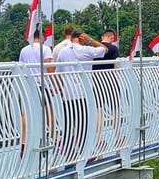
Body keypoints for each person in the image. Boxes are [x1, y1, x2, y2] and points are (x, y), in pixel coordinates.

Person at [56, 29, 108, 161]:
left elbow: (59, 73)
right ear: (81, 37)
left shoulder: (63, 51)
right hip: (83, 94)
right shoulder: (85, 50)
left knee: (68, 124)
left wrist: (59, 89)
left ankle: (68, 152)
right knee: (84, 124)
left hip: (67, 94)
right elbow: (104, 49)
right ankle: (86, 152)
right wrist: (90, 40)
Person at [18, 29, 54, 158]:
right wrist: (54, 83)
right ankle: (51, 138)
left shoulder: (24, 50)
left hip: (28, 84)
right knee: (48, 112)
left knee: (26, 113)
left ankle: (23, 142)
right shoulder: (45, 49)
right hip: (41, 84)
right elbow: (49, 68)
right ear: (43, 36)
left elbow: (20, 67)